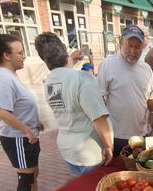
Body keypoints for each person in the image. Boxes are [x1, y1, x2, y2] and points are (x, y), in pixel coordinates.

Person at [34, 32, 113, 175]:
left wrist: (70, 59)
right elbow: (98, 118)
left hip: (68, 150)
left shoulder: (49, 82)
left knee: (81, 190)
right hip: (89, 151)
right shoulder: (82, 79)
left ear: (43, 59)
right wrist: (109, 145)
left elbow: (63, 71)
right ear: (65, 49)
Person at [0, 32, 42, 191]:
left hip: (26, 136)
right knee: (26, 178)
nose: (24, 56)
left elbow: (19, 105)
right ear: (6, 55)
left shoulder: (10, 75)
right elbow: (0, 110)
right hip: (18, 139)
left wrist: (35, 123)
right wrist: (26, 129)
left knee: (33, 173)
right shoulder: (4, 78)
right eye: (20, 52)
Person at [97, 25, 153, 157]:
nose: (133, 51)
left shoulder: (146, 69)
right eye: (129, 45)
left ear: (143, 47)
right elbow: (99, 100)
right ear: (120, 42)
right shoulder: (107, 65)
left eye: (137, 47)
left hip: (141, 134)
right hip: (117, 135)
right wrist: (103, 136)